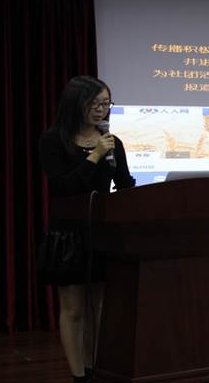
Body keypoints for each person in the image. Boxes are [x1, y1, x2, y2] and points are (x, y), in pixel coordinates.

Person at [39, 75, 135, 383]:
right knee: (74, 309)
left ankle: (95, 367)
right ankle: (78, 375)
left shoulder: (112, 143)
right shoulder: (54, 141)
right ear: (75, 103)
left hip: (101, 234)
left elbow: (124, 185)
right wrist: (94, 156)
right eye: (94, 104)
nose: (101, 110)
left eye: (106, 104)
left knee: (98, 307)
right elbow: (63, 187)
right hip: (68, 235)